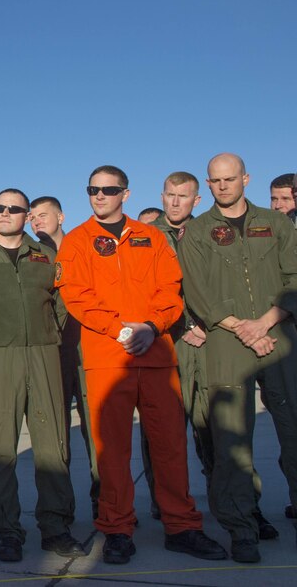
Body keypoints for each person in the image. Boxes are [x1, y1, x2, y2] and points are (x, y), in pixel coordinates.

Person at [56, 165, 226, 565]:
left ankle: (182, 526)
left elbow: (171, 288)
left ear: (125, 194)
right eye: (92, 189)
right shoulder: (77, 241)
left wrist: (152, 326)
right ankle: (117, 529)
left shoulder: (151, 237)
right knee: (112, 452)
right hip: (107, 361)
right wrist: (119, 330)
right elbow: (76, 296)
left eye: (108, 189)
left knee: (170, 446)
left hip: (156, 357)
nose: (99, 196)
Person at [179, 153, 297, 563]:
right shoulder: (195, 233)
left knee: (293, 427)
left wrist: (265, 322)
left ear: (246, 178)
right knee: (232, 440)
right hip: (226, 341)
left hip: (278, 333)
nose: (223, 186)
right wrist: (242, 328)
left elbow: (294, 277)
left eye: (230, 178)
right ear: (208, 185)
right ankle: (241, 527)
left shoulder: (277, 223)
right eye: (215, 181)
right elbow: (197, 293)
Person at [0, 189, 85, 562]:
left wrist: (48, 334)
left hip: (43, 354)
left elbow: (61, 302)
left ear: (26, 216)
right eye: (0, 207)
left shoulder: (45, 255)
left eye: (15, 209)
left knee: (53, 445)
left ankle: (55, 527)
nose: (6, 213)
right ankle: (7, 531)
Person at [30, 195, 98, 517]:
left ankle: (106, 502)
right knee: (57, 437)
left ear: (61, 216)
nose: (36, 221)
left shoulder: (85, 247)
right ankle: (63, 508)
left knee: (97, 432)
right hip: (54, 354)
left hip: (89, 349)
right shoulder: (33, 256)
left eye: (43, 215)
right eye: (32, 217)